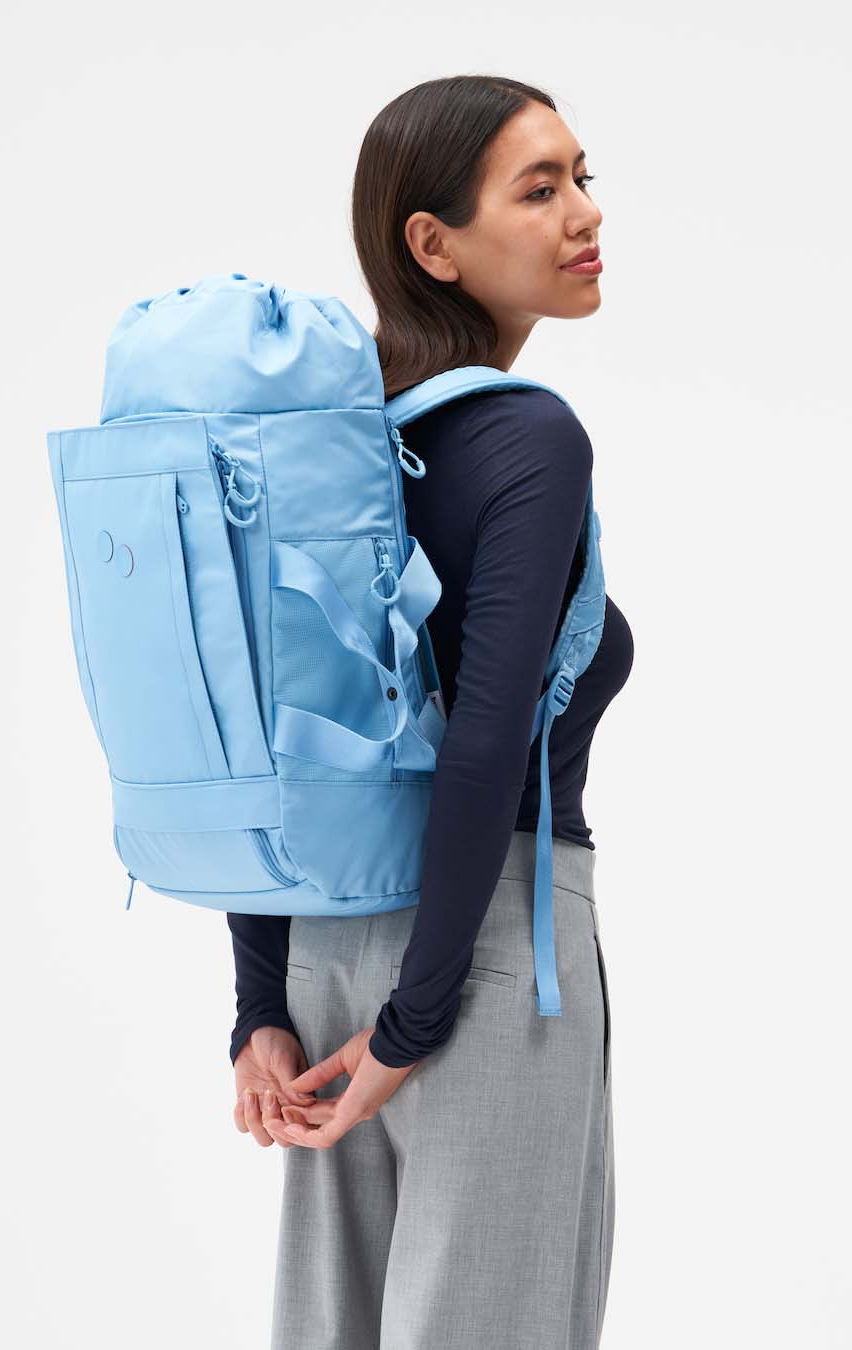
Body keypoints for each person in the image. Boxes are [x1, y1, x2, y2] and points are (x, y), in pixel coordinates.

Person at [227, 74, 635, 1350]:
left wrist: (261, 1006)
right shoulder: (529, 441)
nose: (584, 212)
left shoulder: (327, 445)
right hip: (483, 954)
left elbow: (269, 730)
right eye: (539, 188)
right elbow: (486, 743)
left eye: (581, 177)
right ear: (432, 244)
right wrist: (416, 1022)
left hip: (320, 947)